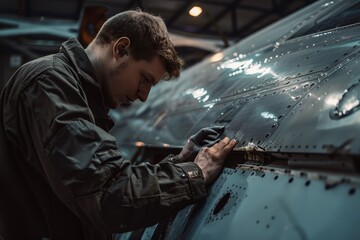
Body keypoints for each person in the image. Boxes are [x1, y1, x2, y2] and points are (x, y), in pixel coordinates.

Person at [0, 9, 236, 240]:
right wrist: (195, 174)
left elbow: (106, 176)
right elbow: (109, 194)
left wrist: (179, 162)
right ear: (120, 49)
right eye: (145, 79)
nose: (144, 95)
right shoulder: (49, 84)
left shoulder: (80, 94)